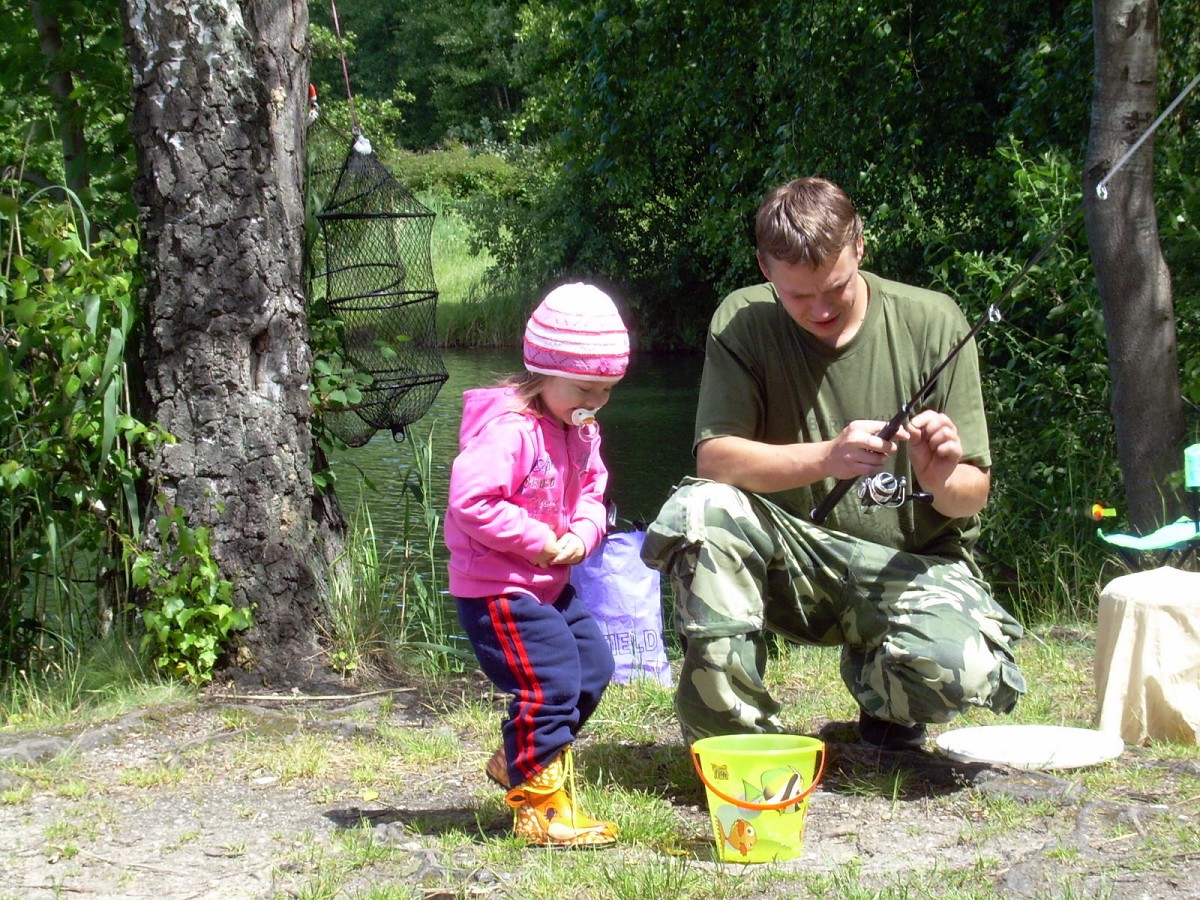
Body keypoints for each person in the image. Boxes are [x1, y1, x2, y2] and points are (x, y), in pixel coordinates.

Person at [640, 177, 1027, 751]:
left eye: (836, 287)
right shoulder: (742, 320)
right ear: (765, 269)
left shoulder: (934, 320)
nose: (819, 308)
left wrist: (937, 474)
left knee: (961, 669)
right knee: (700, 509)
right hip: (790, 563)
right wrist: (828, 456)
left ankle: (882, 691)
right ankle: (732, 745)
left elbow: (971, 495)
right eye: (798, 295)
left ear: (861, 249)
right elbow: (714, 458)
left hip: (912, 566)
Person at [444, 282, 629, 848]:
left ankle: (515, 759)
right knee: (549, 682)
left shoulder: (580, 428)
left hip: (548, 582)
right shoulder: (510, 431)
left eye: (606, 390)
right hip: (498, 588)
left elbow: (595, 489)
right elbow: (470, 502)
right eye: (585, 387)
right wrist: (541, 541)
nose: (594, 401)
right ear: (543, 371)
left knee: (592, 669)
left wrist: (583, 530)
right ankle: (542, 809)